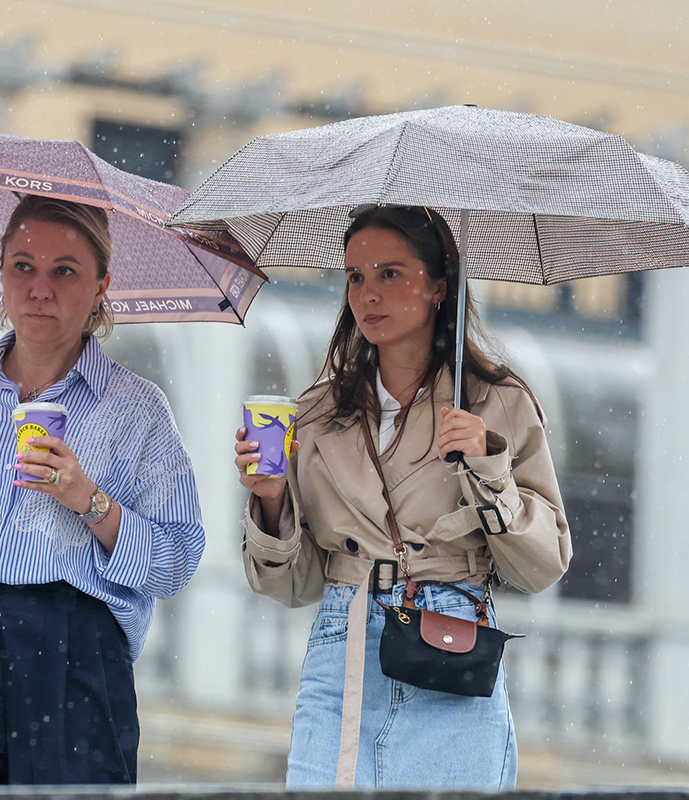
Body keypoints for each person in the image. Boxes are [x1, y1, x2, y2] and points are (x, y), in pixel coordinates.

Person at [0, 194, 205, 786]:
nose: (40, 288)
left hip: (73, 653)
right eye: (23, 266)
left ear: (101, 287)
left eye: (64, 271)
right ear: (0, 274)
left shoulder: (137, 410)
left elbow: (177, 560)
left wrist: (89, 502)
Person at [234, 205, 571, 790]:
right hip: (343, 650)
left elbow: (542, 565)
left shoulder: (497, 403)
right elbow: (295, 587)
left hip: (452, 643)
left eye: (390, 273)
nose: (368, 294)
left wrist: (487, 467)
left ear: (439, 287)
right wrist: (270, 500)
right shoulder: (316, 414)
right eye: (355, 276)